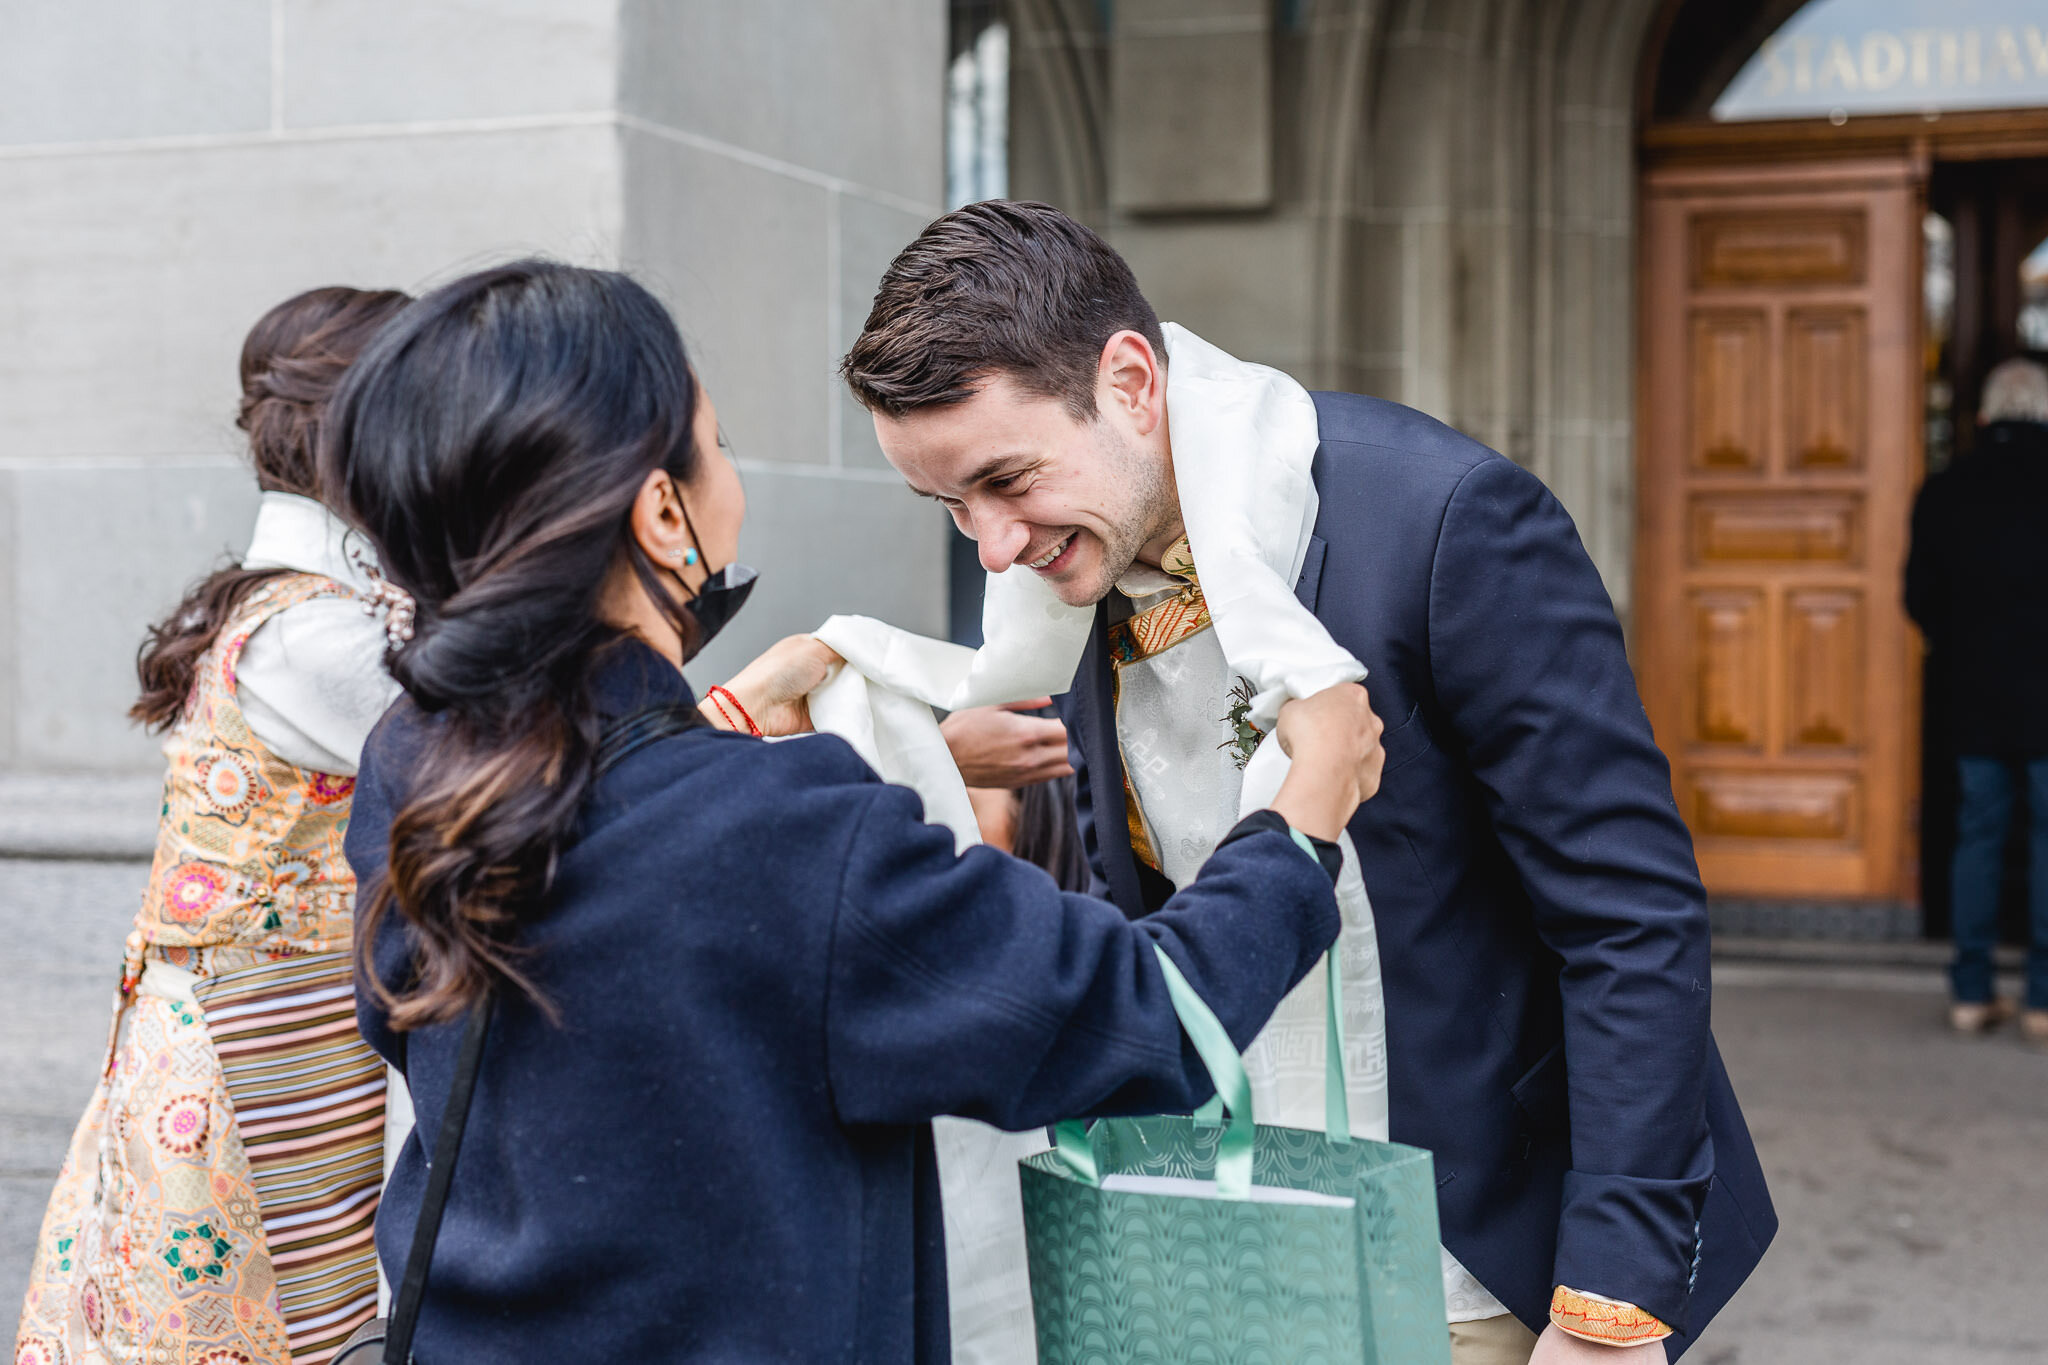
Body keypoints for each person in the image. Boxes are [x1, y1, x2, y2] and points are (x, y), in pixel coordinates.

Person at [326, 260, 1386, 1361]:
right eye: (716, 443)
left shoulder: (415, 764)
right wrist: (1301, 818)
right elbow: (1140, 1020)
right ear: (660, 512)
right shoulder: (783, 836)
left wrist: (724, 719)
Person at [842, 200, 1777, 1364]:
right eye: (948, 508)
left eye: (1004, 480)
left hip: (1475, 1254)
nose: (989, 548)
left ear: (1129, 381)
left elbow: (1628, 915)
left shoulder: (1444, 521)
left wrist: (1607, 1303)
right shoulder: (1060, 583)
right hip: (1223, 1237)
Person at [15, 286, 413, 1365]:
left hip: (258, 1038)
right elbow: (513, 753)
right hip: (258, 1059)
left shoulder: (291, 603)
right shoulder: (320, 635)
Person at [1905, 356, 2048, 1043]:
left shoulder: (1945, 488)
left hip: (1974, 692)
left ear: (1985, 415)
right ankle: (2043, 1001)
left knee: (1979, 836)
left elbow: (1918, 599)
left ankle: (1970, 992)